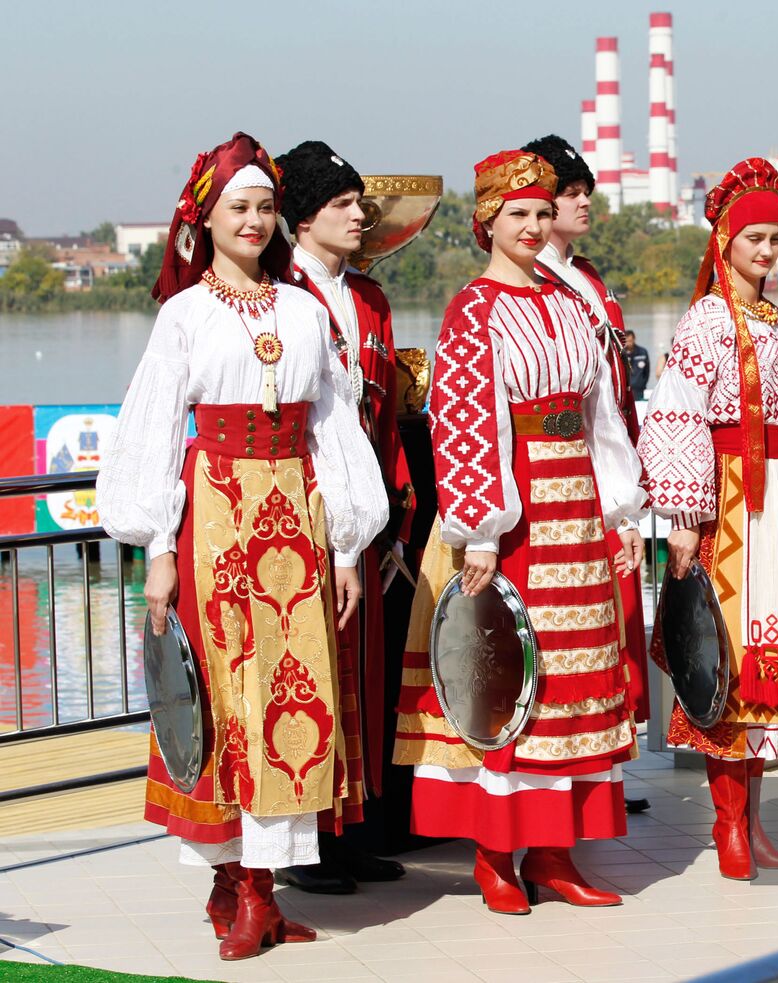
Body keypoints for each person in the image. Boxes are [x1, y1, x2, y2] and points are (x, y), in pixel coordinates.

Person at [96, 133, 388, 960]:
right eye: (240, 207)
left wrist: (345, 547)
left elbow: (332, 427)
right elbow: (153, 430)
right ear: (206, 219)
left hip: (295, 513)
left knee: (291, 695)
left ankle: (257, 885)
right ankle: (240, 883)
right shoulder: (184, 314)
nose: (255, 220)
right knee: (227, 695)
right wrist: (156, 546)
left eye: (265, 207)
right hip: (216, 516)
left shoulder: (303, 310)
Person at [392, 150, 646, 915]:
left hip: (576, 500)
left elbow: (603, 412)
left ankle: (557, 850)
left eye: (542, 213)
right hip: (518, 509)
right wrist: (480, 531)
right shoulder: (475, 309)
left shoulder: (571, 302)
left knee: (575, 676)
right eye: (519, 215)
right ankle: (497, 854)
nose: (534, 226)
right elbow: (467, 422)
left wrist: (623, 510)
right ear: (487, 223)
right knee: (515, 675)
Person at [638, 158, 778, 880]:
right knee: (724, 659)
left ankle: (753, 824)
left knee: (764, 666)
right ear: (726, 239)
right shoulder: (706, 320)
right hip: (733, 501)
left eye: (775, 238)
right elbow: (678, 415)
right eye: (755, 237)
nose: (767, 250)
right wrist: (687, 516)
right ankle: (727, 826)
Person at [276, 140, 415, 892]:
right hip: (305, 504)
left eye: (358, 203)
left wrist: (393, 496)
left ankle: (354, 827)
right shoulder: (281, 292)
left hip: (362, 507)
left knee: (364, 666)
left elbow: (386, 408)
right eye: (341, 204)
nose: (359, 215)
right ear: (302, 217)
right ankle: (303, 846)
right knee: (313, 666)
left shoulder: (369, 299)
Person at [524, 132, 652, 814]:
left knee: (614, 622)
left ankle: (607, 761)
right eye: (567, 194)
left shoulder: (589, 277)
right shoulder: (532, 279)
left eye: (582, 194)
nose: (579, 205)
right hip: (556, 476)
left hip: (606, 461)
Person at [624, 330, 650, 401]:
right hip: (626, 389)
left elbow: (647, 371)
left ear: (634, 339)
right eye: (627, 341)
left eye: (630, 341)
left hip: (639, 388)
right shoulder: (622, 353)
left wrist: (642, 383)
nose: (629, 343)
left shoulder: (642, 352)